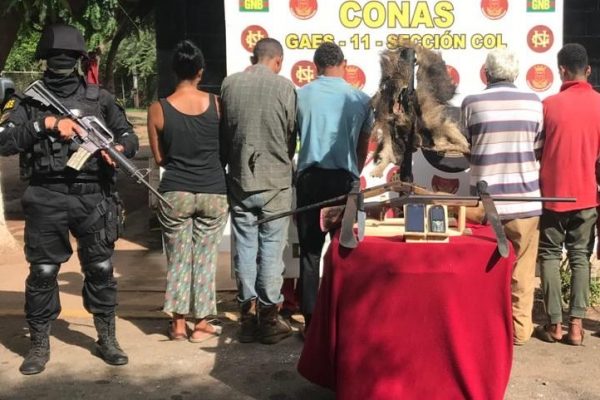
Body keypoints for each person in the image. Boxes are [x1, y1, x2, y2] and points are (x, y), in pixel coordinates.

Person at [0, 24, 138, 374]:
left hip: (93, 196)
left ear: (79, 59)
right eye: (56, 56)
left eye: (69, 56)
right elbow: (3, 141)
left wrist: (119, 148)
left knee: (100, 268)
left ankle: (107, 337)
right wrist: (45, 124)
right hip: (46, 195)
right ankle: (39, 343)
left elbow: (128, 134)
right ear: (45, 59)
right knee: (44, 271)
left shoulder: (99, 98)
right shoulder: (27, 101)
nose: (62, 61)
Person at [461, 48, 543, 345]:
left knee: (483, 268)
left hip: (483, 205)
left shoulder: (471, 103)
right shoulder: (534, 102)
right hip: (525, 201)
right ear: (516, 73)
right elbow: (538, 148)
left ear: (486, 73)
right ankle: (519, 331)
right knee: (522, 271)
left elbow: (465, 147)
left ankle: (484, 328)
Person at [147, 40, 228, 342]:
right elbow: (225, 149)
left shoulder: (158, 109)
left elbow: (159, 158)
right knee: (205, 258)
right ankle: (202, 324)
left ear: (174, 71)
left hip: (175, 192)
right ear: (200, 71)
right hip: (213, 190)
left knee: (178, 258)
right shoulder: (218, 105)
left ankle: (179, 324)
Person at [220, 38, 296, 345]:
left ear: (254, 58)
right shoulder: (285, 87)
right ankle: (268, 320)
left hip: (240, 180)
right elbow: (291, 134)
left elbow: (225, 131)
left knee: (246, 248)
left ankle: (247, 319)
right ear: (277, 61)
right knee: (271, 251)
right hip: (275, 181)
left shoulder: (229, 84)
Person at [295, 41, 372, 336]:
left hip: (309, 180)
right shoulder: (361, 99)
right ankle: (346, 320)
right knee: (346, 251)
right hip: (343, 181)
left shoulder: (300, 95)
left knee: (310, 253)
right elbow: (362, 146)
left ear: (316, 67)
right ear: (344, 64)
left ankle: (311, 324)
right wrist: (353, 172)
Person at [535, 43, 600, 346]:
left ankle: (554, 324)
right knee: (580, 257)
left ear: (561, 70)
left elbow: (537, 150)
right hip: (586, 195)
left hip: (552, 195)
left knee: (549, 254)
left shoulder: (548, 105)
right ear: (588, 70)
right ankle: (576, 325)